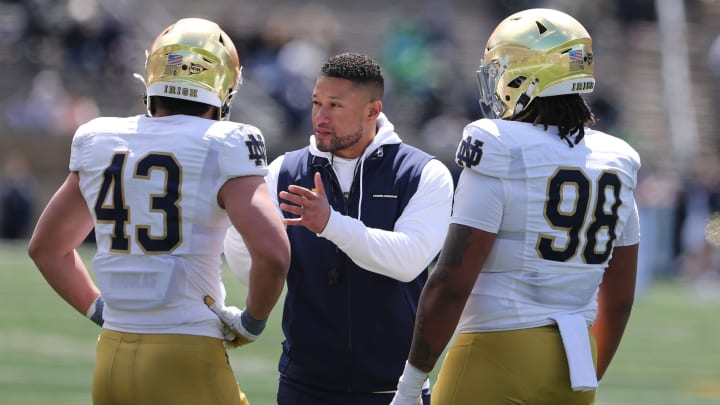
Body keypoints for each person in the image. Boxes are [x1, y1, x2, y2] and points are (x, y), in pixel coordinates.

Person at [27, 17, 290, 405]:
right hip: (187, 356)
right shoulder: (226, 142)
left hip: (112, 358)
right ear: (225, 86)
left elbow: (47, 248)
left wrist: (98, 308)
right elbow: (273, 253)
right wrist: (251, 322)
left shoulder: (101, 138)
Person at [391, 8, 641, 405]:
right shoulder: (617, 158)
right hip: (574, 368)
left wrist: (408, 386)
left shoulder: (498, 143)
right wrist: (589, 375)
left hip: (494, 354)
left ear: (527, 74)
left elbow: (451, 283)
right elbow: (620, 298)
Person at [223, 52, 454, 404]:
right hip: (304, 385)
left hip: (394, 389)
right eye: (316, 102)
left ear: (372, 111)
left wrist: (331, 223)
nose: (320, 116)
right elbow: (246, 270)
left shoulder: (423, 172)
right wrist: (242, 230)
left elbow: (409, 260)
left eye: (335, 105)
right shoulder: (284, 170)